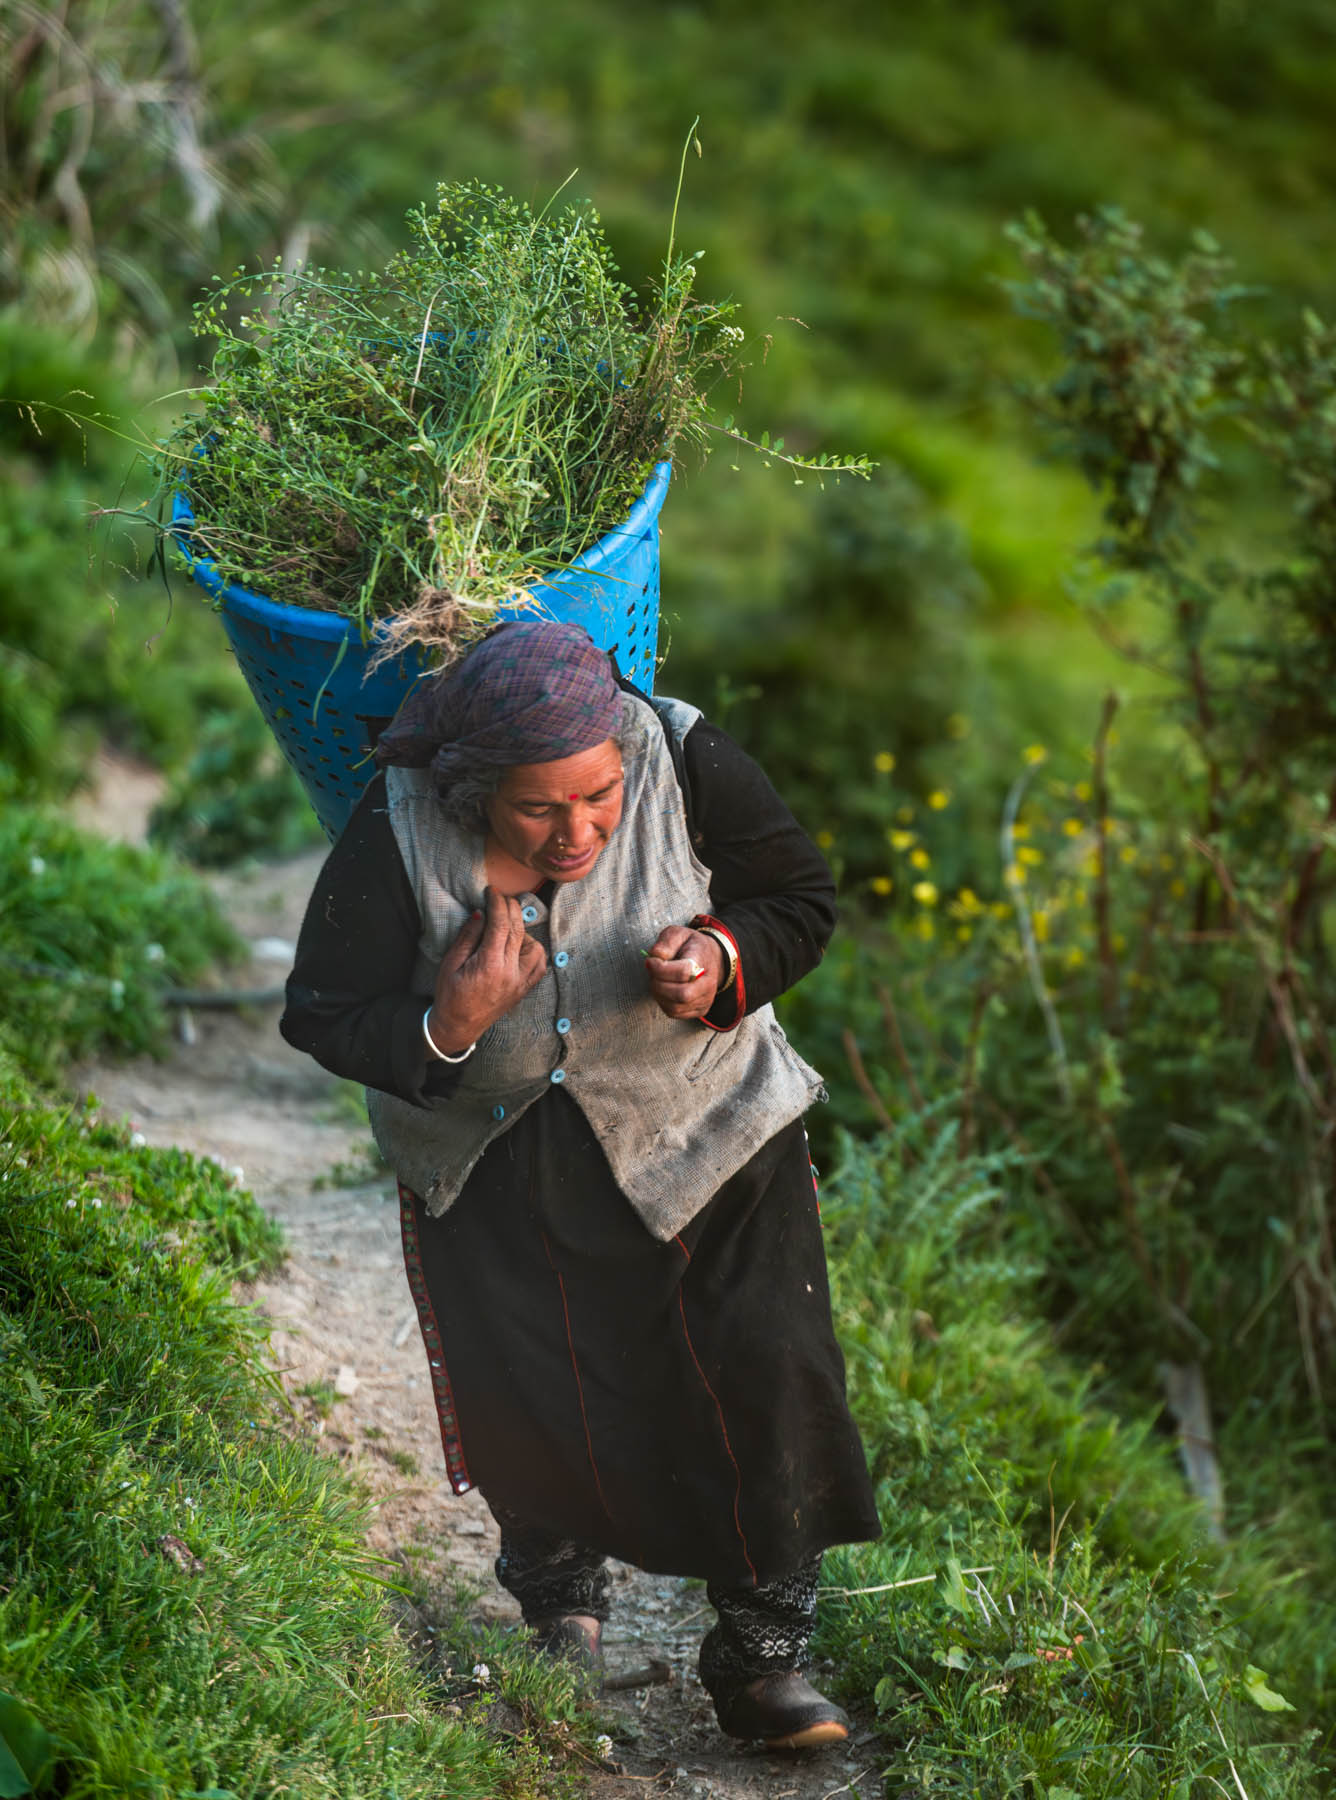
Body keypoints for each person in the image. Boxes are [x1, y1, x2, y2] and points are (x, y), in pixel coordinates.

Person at [281, 619, 878, 1750]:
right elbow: (320, 1009)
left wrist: (721, 959)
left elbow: (798, 898)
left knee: (762, 1365)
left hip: (708, 1126)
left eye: (600, 797)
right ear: (473, 791)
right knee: (538, 1387)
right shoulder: (401, 818)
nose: (580, 832)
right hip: (497, 1161)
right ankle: (564, 1622)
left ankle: (762, 1662)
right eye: (538, 810)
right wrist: (443, 1026)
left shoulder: (682, 752)